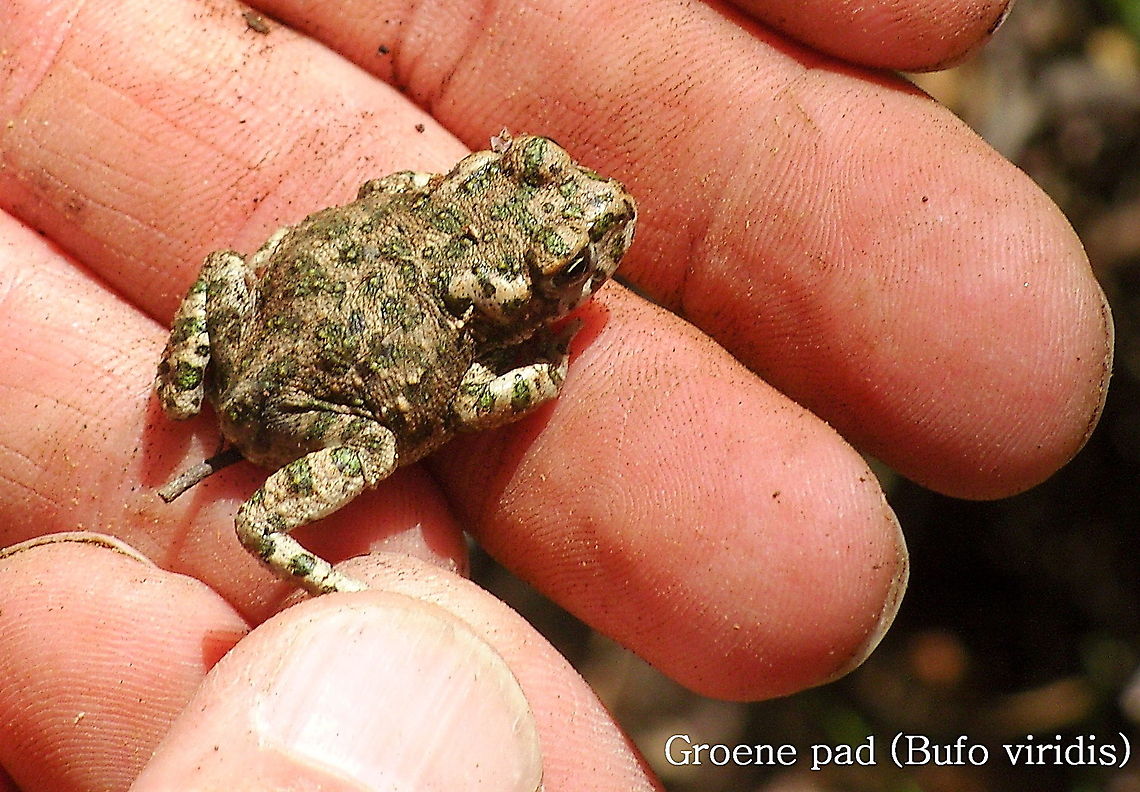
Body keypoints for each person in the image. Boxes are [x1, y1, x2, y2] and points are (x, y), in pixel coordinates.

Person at [0, 0, 1111, 789]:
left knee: (234, 273)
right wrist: (532, 377)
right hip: (311, 405)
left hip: (272, 304)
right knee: (350, 461)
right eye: (564, 274)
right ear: (509, 296)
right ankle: (298, 558)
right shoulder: (494, 332)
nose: (605, 226)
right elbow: (478, 399)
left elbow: (335, 220)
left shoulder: (419, 195)